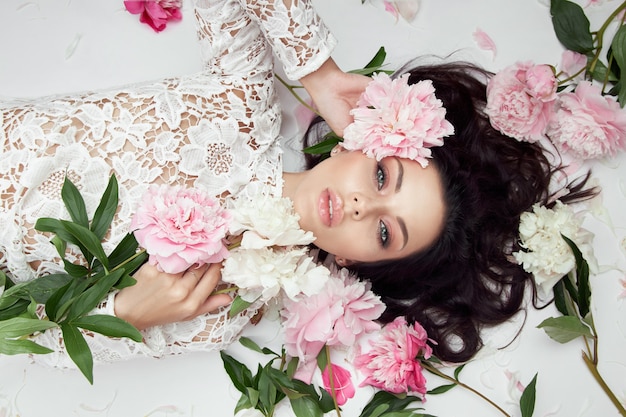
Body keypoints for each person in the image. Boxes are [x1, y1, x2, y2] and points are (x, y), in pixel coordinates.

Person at [0, 0, 592, 368]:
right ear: (366, 139)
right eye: (383, 175)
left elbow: (17, 339)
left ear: (369, 265)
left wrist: (123, 315)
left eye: (385, 231)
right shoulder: (240, 103)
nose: (362, 204)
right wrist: (322, 75)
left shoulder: (222, 303)